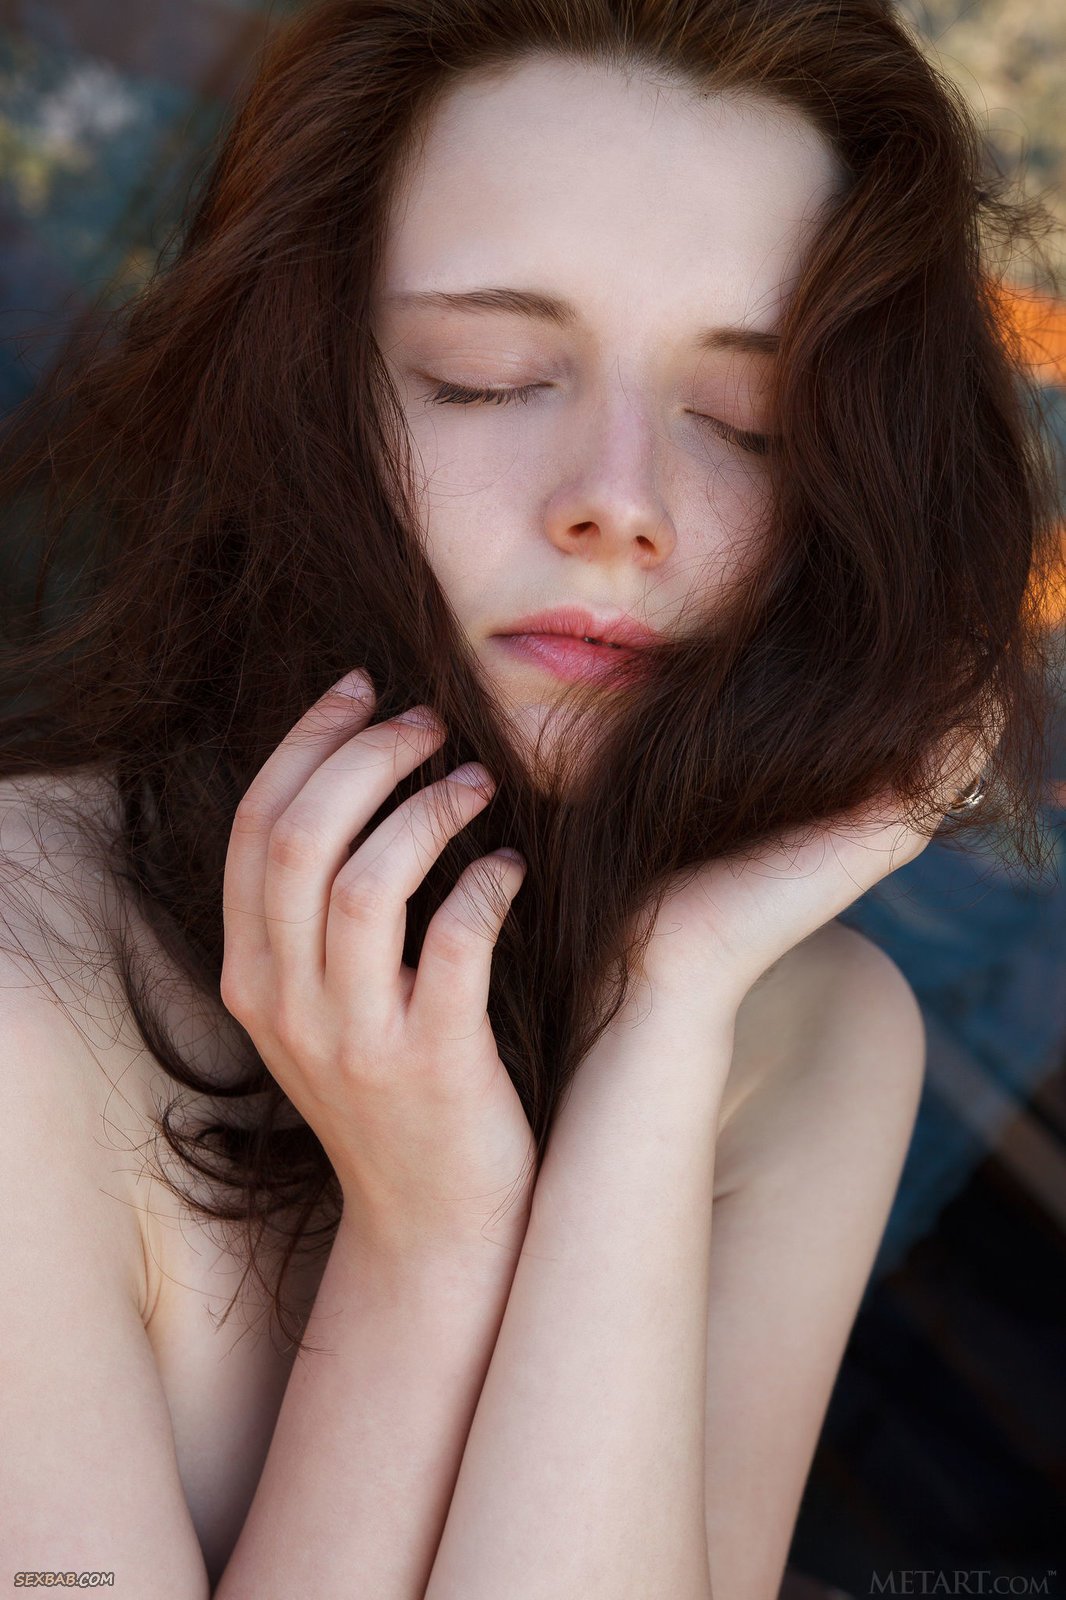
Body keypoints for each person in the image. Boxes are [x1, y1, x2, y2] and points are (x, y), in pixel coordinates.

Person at [0, 1, 1059, 1597]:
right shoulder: (22, 985)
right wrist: (426, 1242)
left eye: (748, 421)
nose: (619, 504)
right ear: (293, 392)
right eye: (484, 378)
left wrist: (662, 1016)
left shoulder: (797, 1036)